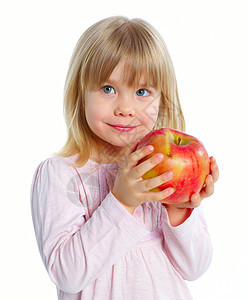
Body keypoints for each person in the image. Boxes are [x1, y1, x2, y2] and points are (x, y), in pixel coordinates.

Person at [30, 16, 219, 300]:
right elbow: (67, 275)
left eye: (142, 92)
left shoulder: (162, 170)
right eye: (108, 89)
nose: (127, 108)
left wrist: (178, 209)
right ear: (80, 94)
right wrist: (122, 201)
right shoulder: (62, 174)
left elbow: (195, 268)